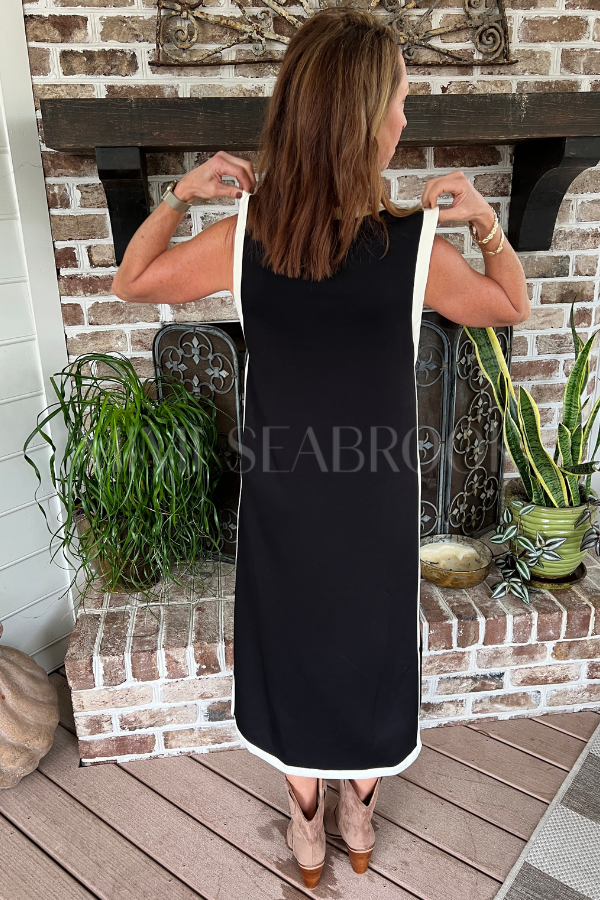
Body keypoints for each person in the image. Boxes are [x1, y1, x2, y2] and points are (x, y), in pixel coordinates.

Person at [112, 6, 530, 890]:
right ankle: (359, 814)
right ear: (364, 120)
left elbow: (132, 280)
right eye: (400, 101)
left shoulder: (246, 238)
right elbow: (510, 305)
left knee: (295, 647)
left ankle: (305, 824)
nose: (407, 118)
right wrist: (486, 224)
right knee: (370, 648)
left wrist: (182, 196)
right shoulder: (415, 247)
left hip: (285, 495)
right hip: (373, 495)